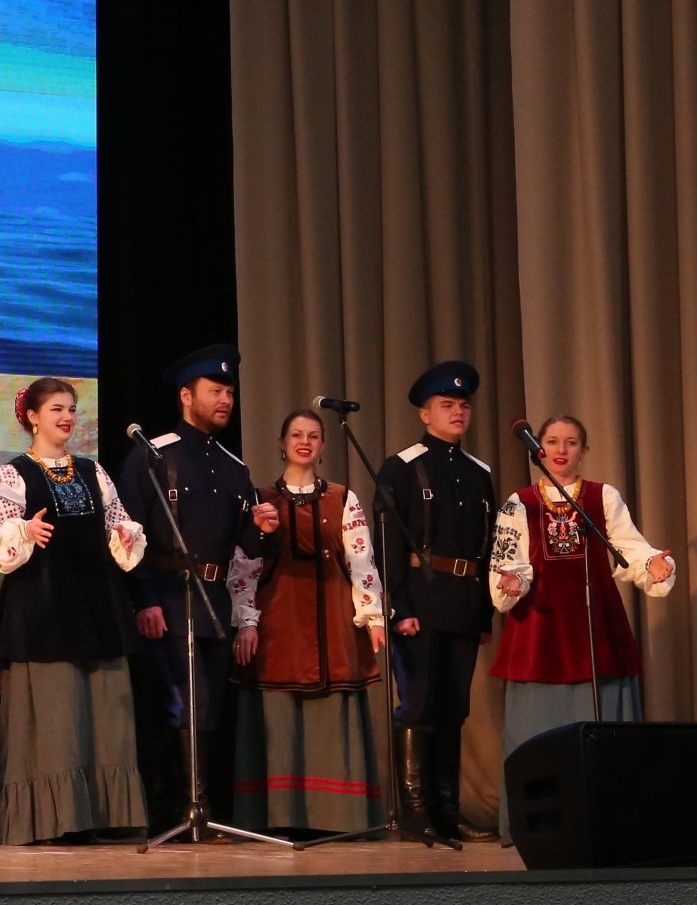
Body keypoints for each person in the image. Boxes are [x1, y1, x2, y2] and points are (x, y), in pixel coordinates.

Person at [112, 344, 279, 829]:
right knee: (187, 702)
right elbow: (126, 534)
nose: (225, 400)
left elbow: (245, 544)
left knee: (209, 708)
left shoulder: (233, 466)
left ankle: (197, 810)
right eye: (215, 390)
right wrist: (143, 600)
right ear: (187, 396)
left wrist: (263, 529)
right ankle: (179, 811)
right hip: (167, 595)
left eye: (229, 392)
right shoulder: (153, 455)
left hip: (214, 599)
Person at [488, 414, 676, 842]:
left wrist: (654, 565)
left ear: (584, 451)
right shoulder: (518, 503)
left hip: (596, 624)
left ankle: (613, 818)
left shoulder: (602, 496)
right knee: (536, 730)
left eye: (571, 442)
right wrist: (511, 580)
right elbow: (505, 560)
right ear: (539, 448)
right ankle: (536, 823)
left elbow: (629, 548)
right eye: (553, 441)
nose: (561, 450)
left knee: (603, 724)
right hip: (540, 630)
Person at [0, 376, 149, 845]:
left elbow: (119, 523)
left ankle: (101, 814)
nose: (67, 417)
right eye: (56, 409)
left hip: (96, 605)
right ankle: (50, 820)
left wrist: (124, 535)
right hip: (43, 607)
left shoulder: (93, 471)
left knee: (104, 710)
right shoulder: (13, 474)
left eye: (71, 409)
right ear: (33, 417)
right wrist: (24, 532)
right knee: (55, 715)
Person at [226, 409, 387, 836]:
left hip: (332, 623)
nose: (304, 442)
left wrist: (372, 614)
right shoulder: (262, 498)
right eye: (296, 435)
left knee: (330, 717)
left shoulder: (343, 498)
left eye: (313, 435)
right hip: (278, 625)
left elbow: (361, 561)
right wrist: (247, 622)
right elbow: (244, 568)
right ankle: (279, 817)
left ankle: (338, 817)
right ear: (282, 443)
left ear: (322, 445)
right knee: (278, 717)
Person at [376, 359, 498, 844]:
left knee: (454, 708)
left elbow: (487, 547)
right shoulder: (402, 467)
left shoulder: (478, 473)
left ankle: (448, 810)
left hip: (464, 601)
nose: (458, 412)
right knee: (419, 705)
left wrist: (484, 613)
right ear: (425, 414)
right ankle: (415, 812)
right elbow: (389, 545)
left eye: (463, 405)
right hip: (420, 601)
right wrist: (398, 607)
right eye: (447, 405)